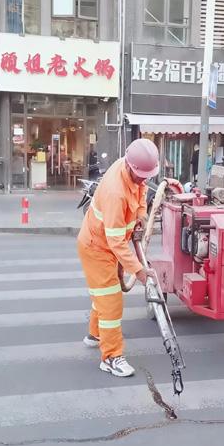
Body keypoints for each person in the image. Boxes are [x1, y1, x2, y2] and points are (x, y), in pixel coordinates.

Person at [77, 138, 160, 377]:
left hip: (105, 244)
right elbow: (115, 242)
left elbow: (141, 190)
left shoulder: (132, 168)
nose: (143, 180)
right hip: (97, 248)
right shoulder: (115, 192)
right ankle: (111, 357)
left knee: (103, 295)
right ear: (131, 167)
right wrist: (139, 270)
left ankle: (95, 334)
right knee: (110, 300)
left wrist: (141, 214)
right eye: (141, 176)